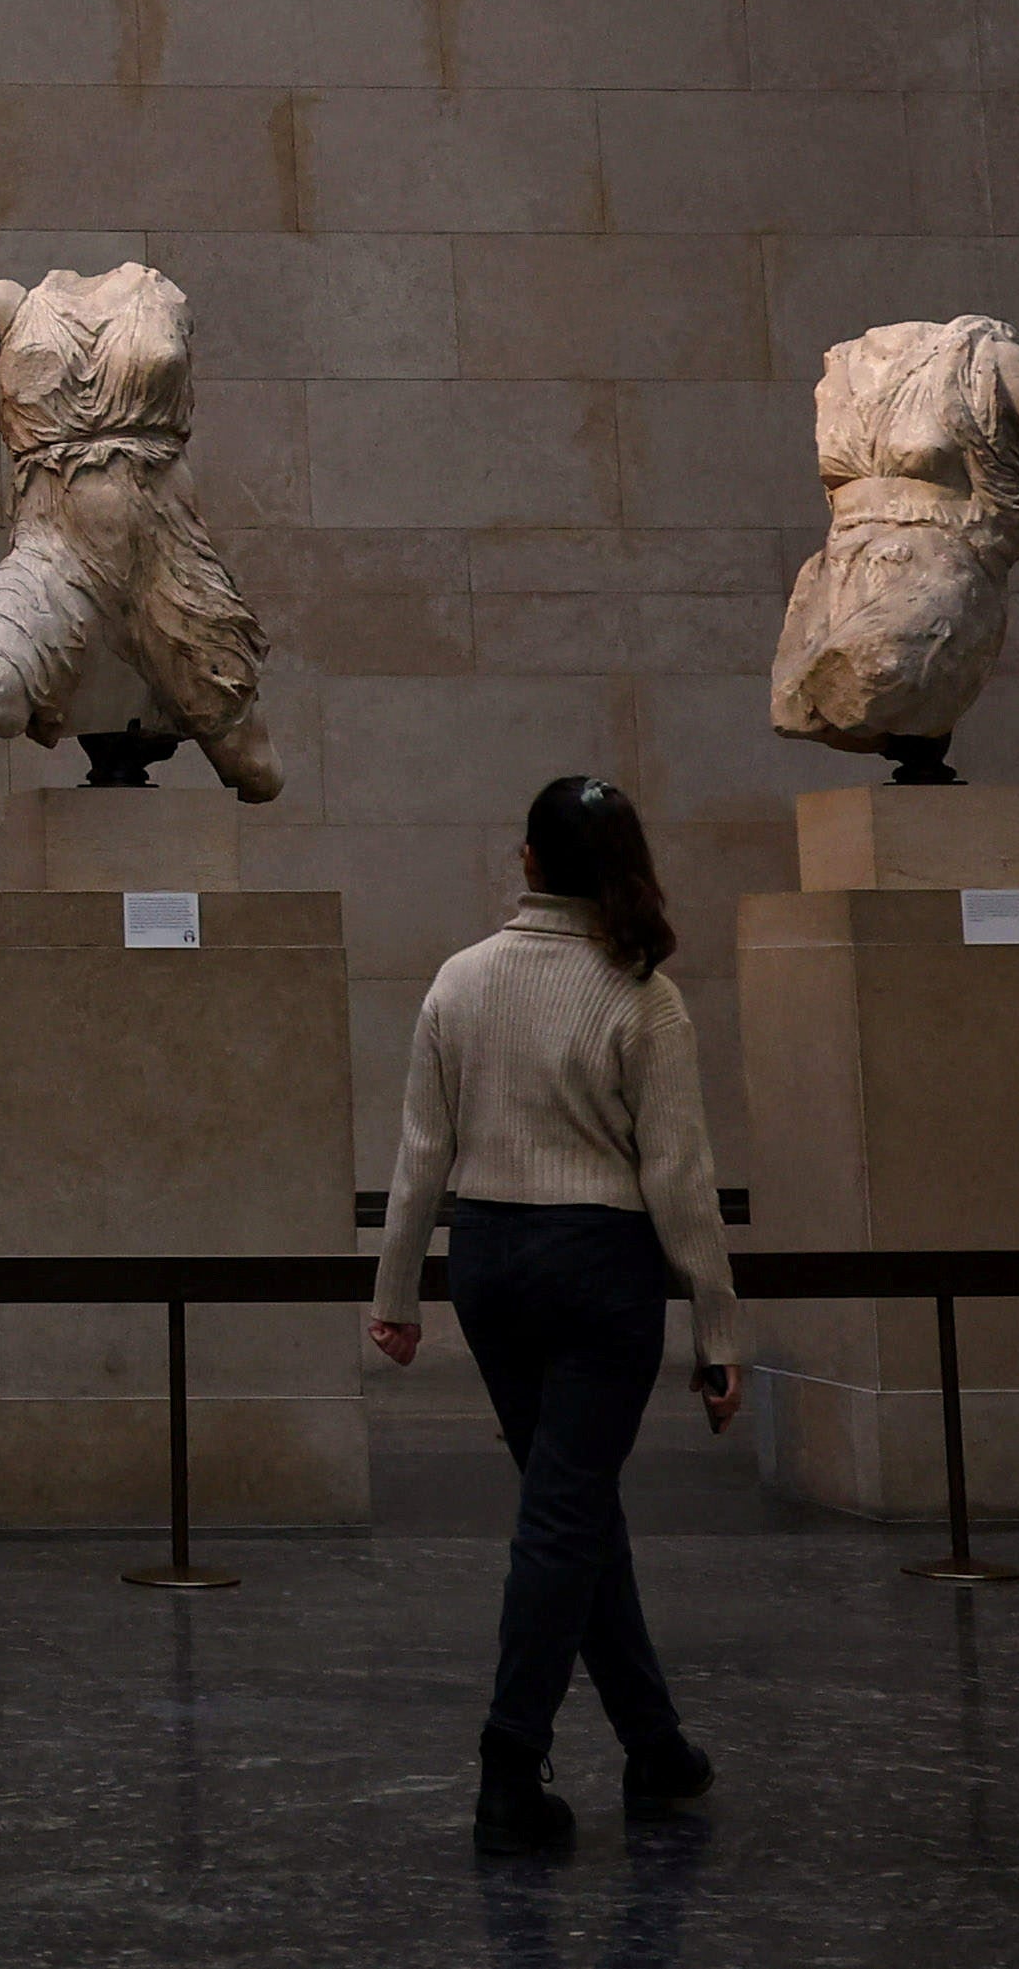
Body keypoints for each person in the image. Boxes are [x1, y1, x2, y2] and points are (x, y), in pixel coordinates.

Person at [368, 775, 745, 1856]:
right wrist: (719, 1332)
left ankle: (655, 1742)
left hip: (490, 1264)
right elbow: (681, 1179)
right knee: (566, 1511)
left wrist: (397, 1294)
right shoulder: (640, 992)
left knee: (568, 1506)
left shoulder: (460, 980)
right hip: (598, 1271)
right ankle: (506, 1761)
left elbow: (419, 1160)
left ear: (527, 861)